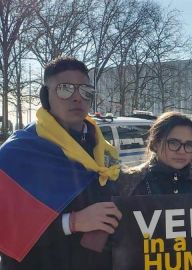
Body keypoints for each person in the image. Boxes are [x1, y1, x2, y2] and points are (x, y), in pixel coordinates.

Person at [0, 57, 122, 270]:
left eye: (85, 90)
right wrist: (71, 223)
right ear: (45, 96)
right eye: (65, 89)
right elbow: (7, 232)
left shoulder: (104, 152)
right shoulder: (15, 154)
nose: (77, 98)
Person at [117, 112, 192, 196]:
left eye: (188, 145)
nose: (182, 151)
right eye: (173, 143)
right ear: (155, 144)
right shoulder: (130, 184)